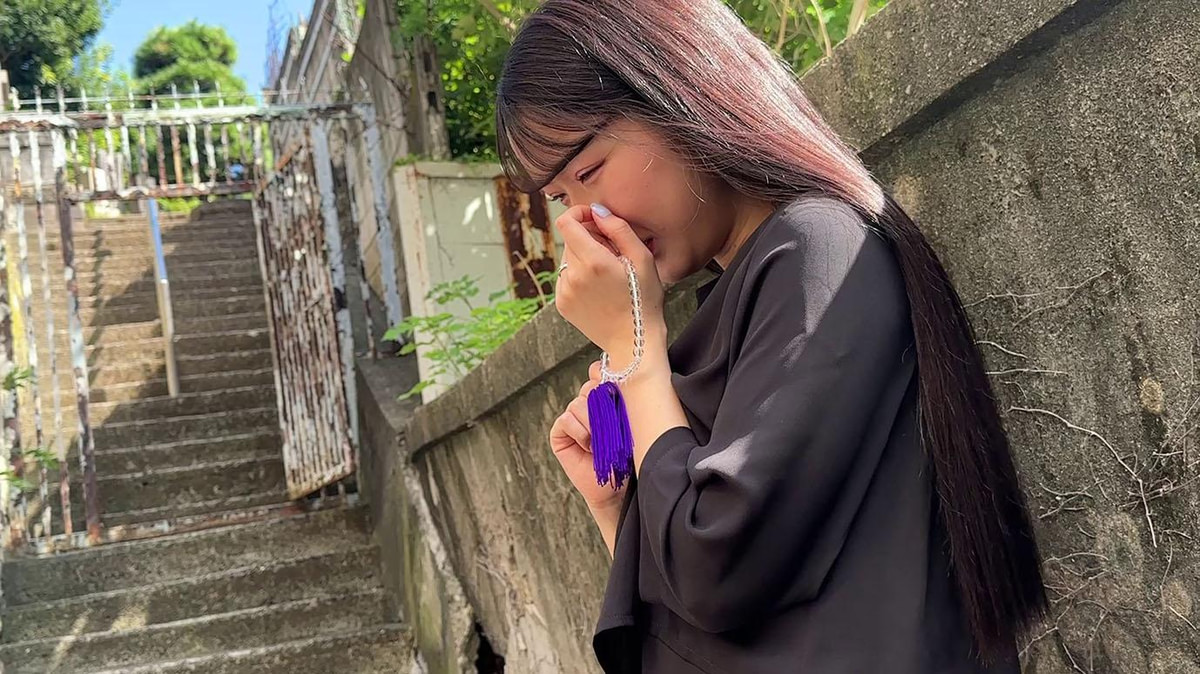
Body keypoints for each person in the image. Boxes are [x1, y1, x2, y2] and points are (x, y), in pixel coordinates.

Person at [496, 1, 1048, 672]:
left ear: (678, 94)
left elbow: (717, 571)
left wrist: (633, 344)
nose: (584, 221)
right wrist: (614, 499)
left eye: (587, 173)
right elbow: (693, 616)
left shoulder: (819, 251)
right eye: (561, 199)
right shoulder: (729, 304)